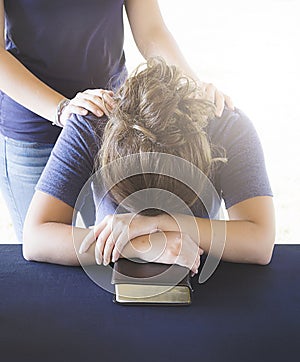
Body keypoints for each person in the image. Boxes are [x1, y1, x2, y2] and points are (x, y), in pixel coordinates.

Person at [0, 0, 233, 242]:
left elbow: (151, 30)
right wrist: (61, 109)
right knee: (46, 253)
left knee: (117, 246)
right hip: (32, 131)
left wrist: (192, 89)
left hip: (111, 127)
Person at [22, 58, 275, 273]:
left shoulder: (228, 127)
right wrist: (145, 245)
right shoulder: (93, 123)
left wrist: (158, 224)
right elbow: (36, 238)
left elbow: (259, 242)